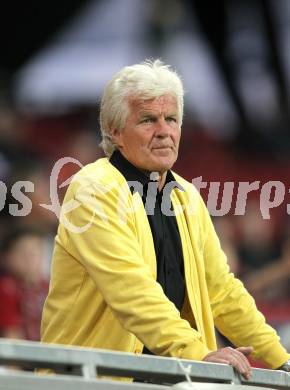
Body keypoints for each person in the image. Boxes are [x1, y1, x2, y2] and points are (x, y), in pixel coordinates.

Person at [41, 60, 290, 379]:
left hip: (164, 376)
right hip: (87, 381)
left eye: (171, 119)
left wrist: (279, 359)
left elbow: (222, 290)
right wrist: (198, 353)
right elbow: (129, 287)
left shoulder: (187, 196)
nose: (164, 131)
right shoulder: (93, 189)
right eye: (148, 120)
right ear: (115, 132)